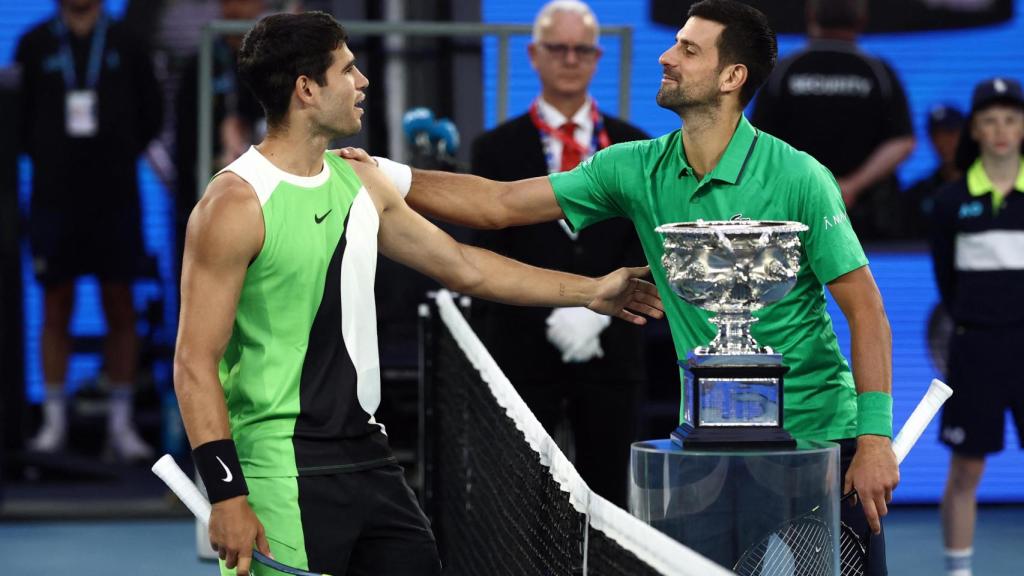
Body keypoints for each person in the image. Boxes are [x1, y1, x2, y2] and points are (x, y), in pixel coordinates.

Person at [348, 0, 898, 571]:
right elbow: (499, 203)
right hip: (708, 446)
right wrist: (382, 172)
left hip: (820, 441)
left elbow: (867, 312)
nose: (666, 56)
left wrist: (875, 439)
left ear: (732, 77)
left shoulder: (801, 177)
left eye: (688, 49)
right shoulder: (634, 168)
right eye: (675, 42)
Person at [174, 12, 662, 576]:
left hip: (370, 460)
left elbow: (466, 263)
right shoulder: (234, 204)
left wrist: (592, 290)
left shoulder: (361, 180)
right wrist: (227, 493)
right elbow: (193, 361)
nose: (362, 82)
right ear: (306, 89)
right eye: (347, 70)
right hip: (281, 469)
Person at [468, 0, 649, 508]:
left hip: (612, 352)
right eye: (558, 48)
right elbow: (489, 248)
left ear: (597, 58)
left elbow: (645, 242)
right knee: (520, 500)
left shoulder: (635, 145)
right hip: (524, 349)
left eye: (582, 50)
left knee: (609, 500)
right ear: (534, 54)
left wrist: (597, 315)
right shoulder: (495, 148)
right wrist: (559, 304)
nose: (570, 59)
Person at [15, 0, 163, 459]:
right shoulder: (34, 44)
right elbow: (17, 118)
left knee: (120, 303)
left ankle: (121, 425)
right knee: (55, 303)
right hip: (54, 197)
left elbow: (151, 113)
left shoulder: (128, 42)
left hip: (116, 196)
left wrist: (114, 152)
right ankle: (52, 424)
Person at [930, 77, 1024, 576]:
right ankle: (959, 571)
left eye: (1011, 119)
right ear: (975, 130)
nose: (1001, 130)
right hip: (976, 351)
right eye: (990, 120)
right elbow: (947, 282)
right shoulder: (950, 202)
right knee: (966, 469)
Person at [751, 0, 915, 242]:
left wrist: (813, 191)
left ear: (810, 15)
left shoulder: (783, 71)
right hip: (864, 219)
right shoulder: (878, 72)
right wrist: (850, 187)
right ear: (862, 20)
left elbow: (758, 143)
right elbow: (901, 142)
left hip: (796, 215)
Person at [174, 0, 267, 282]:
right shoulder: (200, 64)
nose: (234, 8)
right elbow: (183, 141)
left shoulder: (274, 64)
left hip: (265, 198)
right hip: (210, 193)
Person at [903, 104, 965, 239]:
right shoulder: (917, 194)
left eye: (950, 133)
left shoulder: (988, 188)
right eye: (937, 135)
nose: (943, 142)